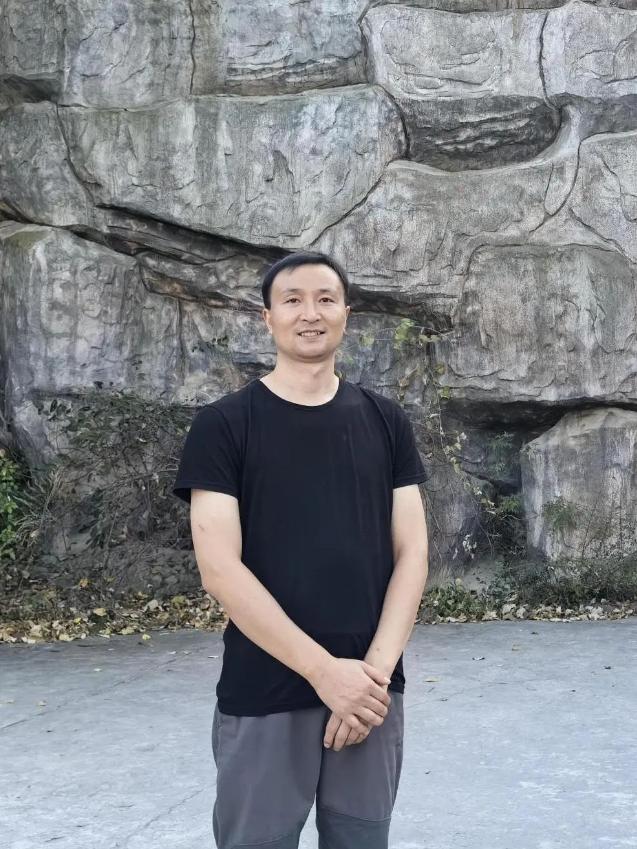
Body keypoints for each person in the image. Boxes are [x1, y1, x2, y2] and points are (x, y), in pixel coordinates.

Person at [172, 250, 429, 849]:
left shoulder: (385, 421)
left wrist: (370, 679)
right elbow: (219, 570)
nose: (310, 313)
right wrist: (324, 673)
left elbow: (413, 553)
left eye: (325, 299)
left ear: (346, 313)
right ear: (268, 318)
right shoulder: (224, 425)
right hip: (266, 691)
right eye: (292, 300)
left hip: (370, 694)